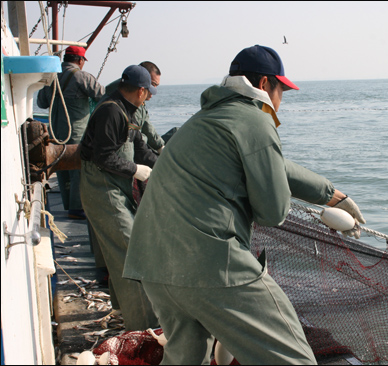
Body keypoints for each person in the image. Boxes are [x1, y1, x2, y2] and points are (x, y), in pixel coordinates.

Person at [123, 45, 366, 364]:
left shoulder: (206, 119)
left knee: (185, 357)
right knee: (293, 358)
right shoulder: (255, 118)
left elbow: (274, 164)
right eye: (282, 91)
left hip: (154, 263)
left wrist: (332, 195)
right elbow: (274, 212)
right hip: (209, 264)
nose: (281, 102)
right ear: (265, 85)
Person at [79, 65, 159, 331]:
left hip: (117, 187)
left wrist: (163, 167)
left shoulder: (128, 110)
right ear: (140, 90)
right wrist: (136, 170)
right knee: (131, 253)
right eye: (148, 92)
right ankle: (143, 327)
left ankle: (122, 308)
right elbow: (103, 157)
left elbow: (140, 148)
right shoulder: (111, 111)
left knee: (119, 249)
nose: (148, 97)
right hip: (102, 189)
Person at [37, 45, 105, 219]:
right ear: (80, 61)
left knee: (60, 165)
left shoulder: (51, 77)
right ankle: (77, 207)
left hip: (55, 132)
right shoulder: (82, 77)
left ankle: (68, 204)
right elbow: (103, 95)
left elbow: (42, 103)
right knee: (78, 168)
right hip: (75, 132)